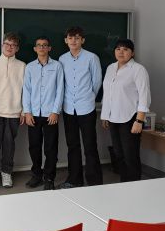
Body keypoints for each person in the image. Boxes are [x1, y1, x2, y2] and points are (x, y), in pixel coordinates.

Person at [58, 27, 103, 189]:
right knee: (73, 146)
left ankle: (94, 181)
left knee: (90, 145)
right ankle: (74, 179)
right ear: (66, 40)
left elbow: (97, 82)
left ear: (82, 40)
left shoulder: (92, 57)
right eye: (70, 38)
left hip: (86, 108)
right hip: (69, 108)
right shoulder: (62, 59)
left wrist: (89, 97)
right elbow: (61, 82)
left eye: (77, 38)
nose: (74, 41)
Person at [101, 39, 151, 182]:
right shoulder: (111, 68)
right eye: (118, 49)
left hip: (130, 118)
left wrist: (139, 120)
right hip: (113, 118)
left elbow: (144, 96)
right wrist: (105, 115)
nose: (121, 52)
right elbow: (107, 93)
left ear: (132, 53)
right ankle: (124, 184)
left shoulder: (138, 70)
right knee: (118, 154)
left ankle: (134, 186)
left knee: (130, 155)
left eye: (125, 49)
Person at [0, 32, 26, 189]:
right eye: (7, 44)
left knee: (9, 145)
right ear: (2, 45)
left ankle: (6, 173)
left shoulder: (22, 66)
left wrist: (24, 111)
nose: (10, 47)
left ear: (17, 48)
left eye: (13, 45)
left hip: (14, 112)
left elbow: (26, 91)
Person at [22, 36, 64, 190]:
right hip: (33, 114)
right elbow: (26, 90)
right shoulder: (29, 67)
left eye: (45, 45)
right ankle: (37, 175)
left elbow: (60, 90)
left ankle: (49, 178)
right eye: (39, 45)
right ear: (35, 49)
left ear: (49, 48)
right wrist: (27, 112)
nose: (41, 47)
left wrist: (55, 111)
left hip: (50, 114)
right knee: (34, 146)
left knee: (50, 148)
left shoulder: (57, 66)